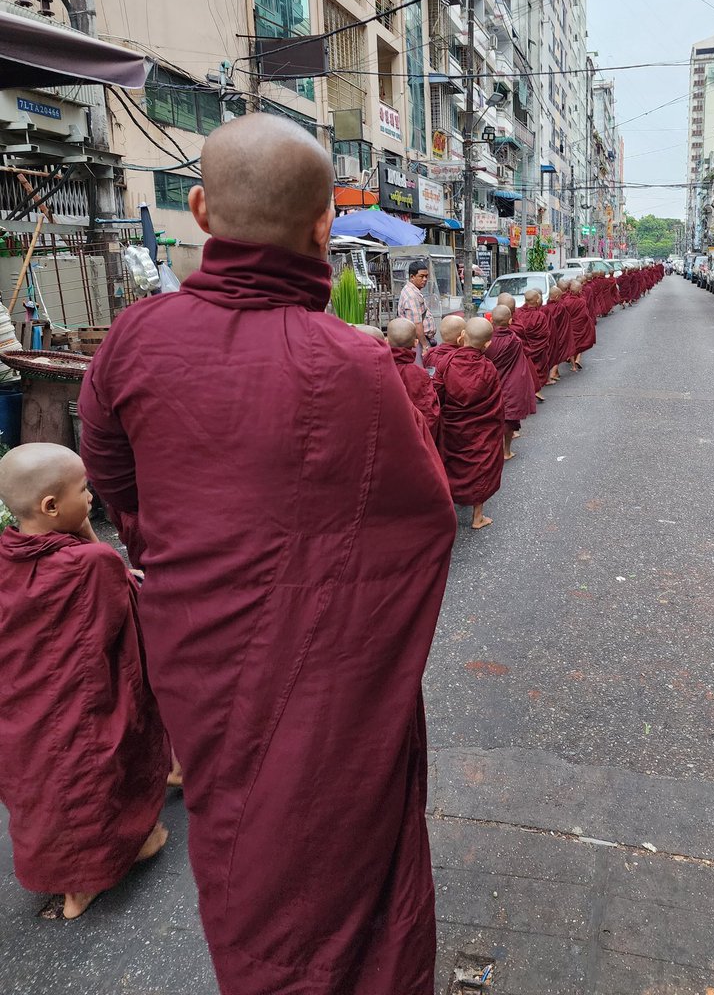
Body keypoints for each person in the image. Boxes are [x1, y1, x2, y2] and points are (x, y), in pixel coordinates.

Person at [78, 114, 457, 995]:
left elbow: (111, 476)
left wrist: (182, 551)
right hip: (332, 671)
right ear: (325, 226)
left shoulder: (135, 337)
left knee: (238, 843)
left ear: (201, 211)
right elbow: (423, 520)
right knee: (334, 843)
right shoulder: (357, 364)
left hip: (199, 645)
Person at [0, 443, 169, 922]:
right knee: (96, 765)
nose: (91, 497)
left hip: (21, 710)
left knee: (44, 786)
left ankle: (73, 877)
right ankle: (93, 878)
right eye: (83, 490)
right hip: (81, 703)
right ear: (52, 506)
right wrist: (92, 539)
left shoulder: (7, 558)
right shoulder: (91, 564)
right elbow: (126, 592)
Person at [433, 316, 504, 530]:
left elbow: (436, 393)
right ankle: (477, 516)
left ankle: (447, 509)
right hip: (481, 428)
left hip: (453, 425)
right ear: (487, 344)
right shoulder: (488, 368)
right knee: (480, 465)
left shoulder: (447, 362)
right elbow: (496, 402)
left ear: (462, 336)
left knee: (450, 464)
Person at [484, 304, 537, 460]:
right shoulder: (515, 340)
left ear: (491, 320)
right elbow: (525, 356)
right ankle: (506, 451)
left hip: (491, 384)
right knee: (509, 417)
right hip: (511, 383)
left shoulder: (486, 341)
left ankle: (494, 449)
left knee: (493, 417)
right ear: (510, 321)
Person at [387, 317, 441, 441]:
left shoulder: (379, 371)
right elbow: (429, 412)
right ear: (416, 343)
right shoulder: (420, 374)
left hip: (387, 437)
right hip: (415, 437)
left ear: (386, 341)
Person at [511, 289, 552, 392]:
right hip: (538, 349)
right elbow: (545, 334)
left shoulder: (517, 313)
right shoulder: (540, 316)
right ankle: (535, 388)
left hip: (523, 350)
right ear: (537, 300)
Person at [397, 258, 436, 358]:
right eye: (421, 276)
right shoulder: (412, 296)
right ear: (412, 277)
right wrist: (424, 346)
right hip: (418, 342)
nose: (425, 279)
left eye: (426, 276)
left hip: (420, 340)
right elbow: (417, 324)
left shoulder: (413, 291)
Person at [543, 285, 576, 383]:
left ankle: (555, 373)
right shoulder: (560, 307)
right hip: (558, 333)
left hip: (548, 334)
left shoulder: (544, 308)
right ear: (557, 297)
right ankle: (553, 373)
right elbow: (564, 321)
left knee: (551, 353)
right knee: (558, 351)